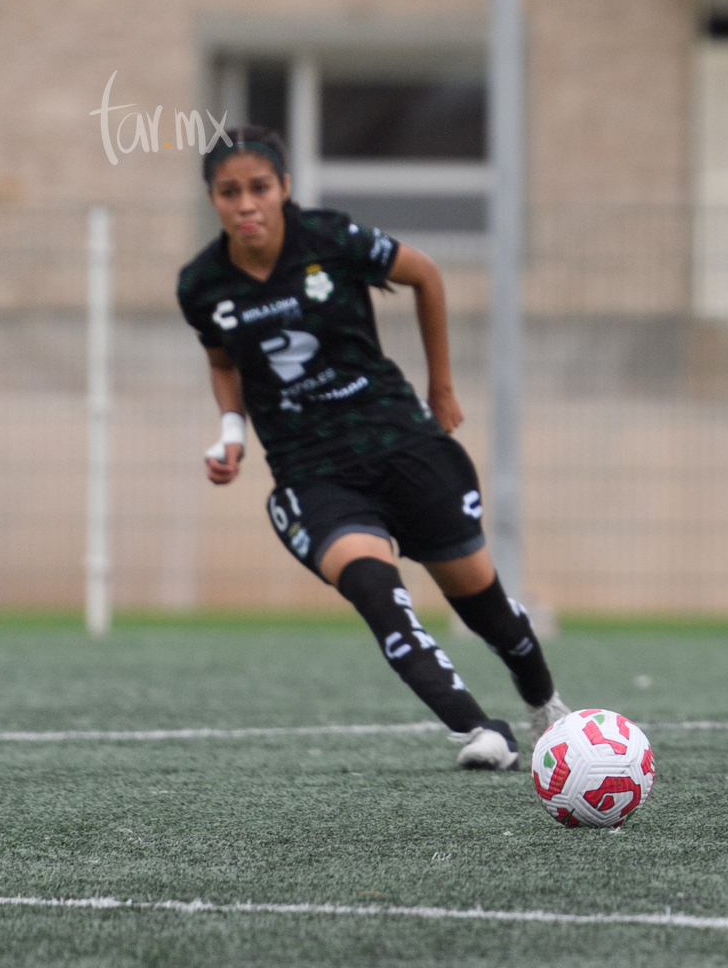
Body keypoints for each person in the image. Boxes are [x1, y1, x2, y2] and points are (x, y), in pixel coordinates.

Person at [176, 127, 567, 770]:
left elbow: (425, 274)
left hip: (399, 441)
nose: (246, 204)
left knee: (484, 605)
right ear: (212, 200)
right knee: (376, 593)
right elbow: (223, 365)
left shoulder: (331, 238)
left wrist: (441, 387)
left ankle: (547, 706)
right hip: (312, 470)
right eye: (229, 192)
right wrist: (231, 433)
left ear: (284, 190)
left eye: (259, 188)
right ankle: (480, 731)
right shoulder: (202, 284)